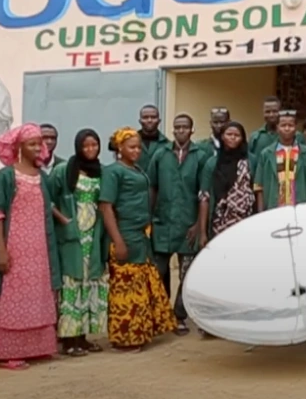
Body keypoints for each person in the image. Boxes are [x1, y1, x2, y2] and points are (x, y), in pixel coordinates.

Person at [0, 123, 61, 369]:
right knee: (12, 296)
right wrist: (1, 249)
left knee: (39, 295)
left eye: (39, 143)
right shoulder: (6, 176)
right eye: (32, 144)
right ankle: (9, 352)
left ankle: (38, 348)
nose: (38, 147)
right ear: (19, 147)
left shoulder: (42, 177)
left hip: (40, 248)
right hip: (14, 246)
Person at [99, 127, 176, 351]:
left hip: (141, 236)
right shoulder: (113, 172)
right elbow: (106, 207)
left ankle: (140, 332)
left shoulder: (136, 169)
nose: (136, 151)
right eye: (131, 147)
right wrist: (118, 241)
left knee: (140, 288)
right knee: (126, 291)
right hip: (125, 234)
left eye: (138, 148)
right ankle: (126, 338)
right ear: (119, 148)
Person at [147, 114, 211, 336]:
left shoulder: (200, 156)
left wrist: (198, 225)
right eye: (177, 127)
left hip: (188, 225)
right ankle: (160, 315)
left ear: (192, 130)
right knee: (158, 272)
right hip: (162, 223)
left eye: (185, 127)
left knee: (187, 274)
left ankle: (179, 315)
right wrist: (149, 217)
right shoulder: (160, 154)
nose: (181, 130)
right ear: (172, 130)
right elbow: (152, 187)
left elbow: (204, 194)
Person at [48, 129, 109, 356]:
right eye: (86, 146)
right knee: (71, 284)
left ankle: (83, 337)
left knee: (89, 283)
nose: (91, 149)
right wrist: (63, 220)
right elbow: (48, 199)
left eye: (94, 145)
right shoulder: (63, 170)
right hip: (71, 236)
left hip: (93, 235)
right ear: (78, 147)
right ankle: (68, 340)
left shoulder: (101, 172)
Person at [255, 111, 306, 209]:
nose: (287, 128)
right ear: (277, 127)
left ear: (296, 128)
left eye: (290, 125)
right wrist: (261, 213)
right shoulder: (266, 154)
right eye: (283, 125)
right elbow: (259, 187)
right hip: (273, 209)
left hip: (299, 209)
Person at [137, 105, 170, 174]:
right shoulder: (129, 142)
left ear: (159, 120)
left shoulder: (167, 144)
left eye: (153, 117)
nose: (149, 120)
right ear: (140, 121)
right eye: (145, 117)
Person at [248, 96, 283, 161]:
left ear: (280, 112)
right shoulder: (255, 137)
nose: (271, 115)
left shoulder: (294, 136)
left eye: (275, 111)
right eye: (267, 112)